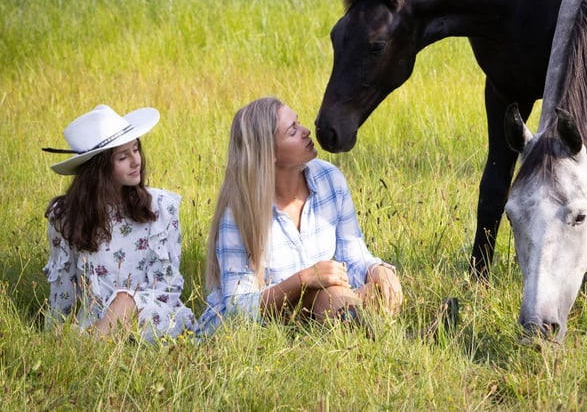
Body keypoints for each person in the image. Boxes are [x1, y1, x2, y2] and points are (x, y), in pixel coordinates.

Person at [200, 97, 402, 334]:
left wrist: (378, 270)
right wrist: (303, 279)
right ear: (269, 153)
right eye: (292, 131)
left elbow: (353, 256)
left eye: (299, 122)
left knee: (367, 288)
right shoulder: (239, 212)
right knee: (330, 295)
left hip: (321, 307)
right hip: (262, 327)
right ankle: (389, 333)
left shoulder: (330, 179)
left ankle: (365, 323)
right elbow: (238, 308)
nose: (306, 131)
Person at [42, 104, 196, 342]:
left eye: (136, 149)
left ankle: (93, 343)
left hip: (153, 317)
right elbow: (63, 291)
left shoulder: (160, 207)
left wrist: (125, 305)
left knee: (124, 300)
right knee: (74, 332)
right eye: (123, 157)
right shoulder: (65, 216)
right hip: (95, 320)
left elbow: (167, 288)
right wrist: (54, 333)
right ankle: (99, 338)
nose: (136, 161)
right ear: (99, 169)